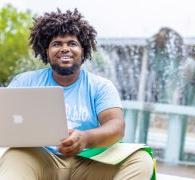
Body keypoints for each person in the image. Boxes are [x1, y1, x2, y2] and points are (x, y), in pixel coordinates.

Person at [0, 9, 153, 180]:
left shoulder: (101, 86)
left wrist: (85, 138)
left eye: (72, 43)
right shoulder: (24, 82)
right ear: (46, 51)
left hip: (89, 161)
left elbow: (116, 125)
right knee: (14, 155)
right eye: (57, 43)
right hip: (42, 160)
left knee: (141, 159)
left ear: (83, 49)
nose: (65, 49)